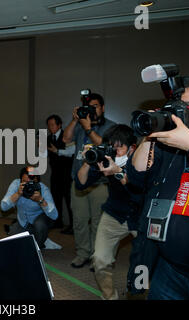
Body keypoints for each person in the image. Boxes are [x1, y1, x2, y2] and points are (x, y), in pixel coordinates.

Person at [127, 79, 189, 300]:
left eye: (188, 108)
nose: (180, 115)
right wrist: (151, 133)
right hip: (169, 268)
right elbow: (137, 174)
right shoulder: (172, 144)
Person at [75, 124, 141, 300]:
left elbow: (137, 191)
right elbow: (81, 184)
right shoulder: (108, 160)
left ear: (132, 148)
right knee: (100, 260)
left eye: (119, 148)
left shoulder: (142, 161)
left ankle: (140, 295)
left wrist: (118, 172)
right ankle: (110, 297)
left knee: (142, 265)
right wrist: (88, 161)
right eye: (112, 147)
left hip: (140, 216)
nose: (115, 152)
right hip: (114, 214)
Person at [62, 93, 116, 268]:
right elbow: (65, 139)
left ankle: (96, 256)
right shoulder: (80, 124)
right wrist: (75, 120)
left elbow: (105, 146)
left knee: (99, 222)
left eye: (96, 106)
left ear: (103, 107)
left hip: (100, 182)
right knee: (79, 221)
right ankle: (82, 253)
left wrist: (88, 129)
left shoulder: (110, 126)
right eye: (89, 107)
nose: (92, 110)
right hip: (78, 182)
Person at [1, 166, 58, 249]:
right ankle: (39, 237)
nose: (28, 186)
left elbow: (54, 216)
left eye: (31, 183)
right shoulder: (16, 185)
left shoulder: (43, 189)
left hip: (40, 220)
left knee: (39, 226)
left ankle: (40, 243)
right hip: (23, 222)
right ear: (20, 180)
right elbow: (3, 207)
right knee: (13, 243)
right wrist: (17, 194)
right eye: (25, 182)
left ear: (37, 182)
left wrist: (41, 200)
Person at [46, 114, 74, 234]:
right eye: (49, 125)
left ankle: (73, 225)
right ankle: (58, 222)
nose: (50, 127)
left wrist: (56, 151)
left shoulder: (67, 136)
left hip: (67, 174)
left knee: (69, 200)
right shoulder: (48, 138)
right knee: (55, 199)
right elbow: (45, 155)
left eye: (53, 124)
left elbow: (70, 153)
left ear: (59, 125)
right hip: (55, 174)